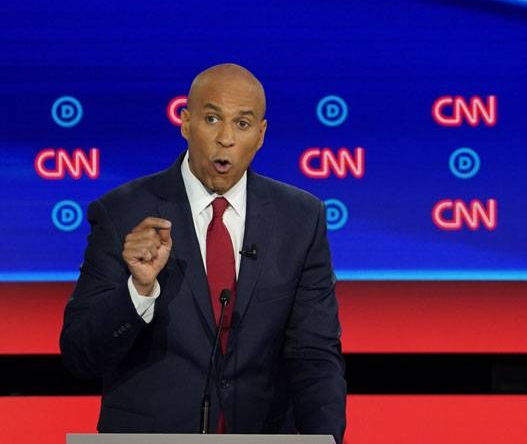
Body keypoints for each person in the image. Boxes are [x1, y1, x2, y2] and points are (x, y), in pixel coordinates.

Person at [60, 63, 346, 441]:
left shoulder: (301, 218)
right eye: (212, 118)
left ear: (261, 135)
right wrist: (138, 291)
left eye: (242, 124)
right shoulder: (121, 213)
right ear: (185, 122)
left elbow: (315, 356)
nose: (225, 138)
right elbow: (81, 355)